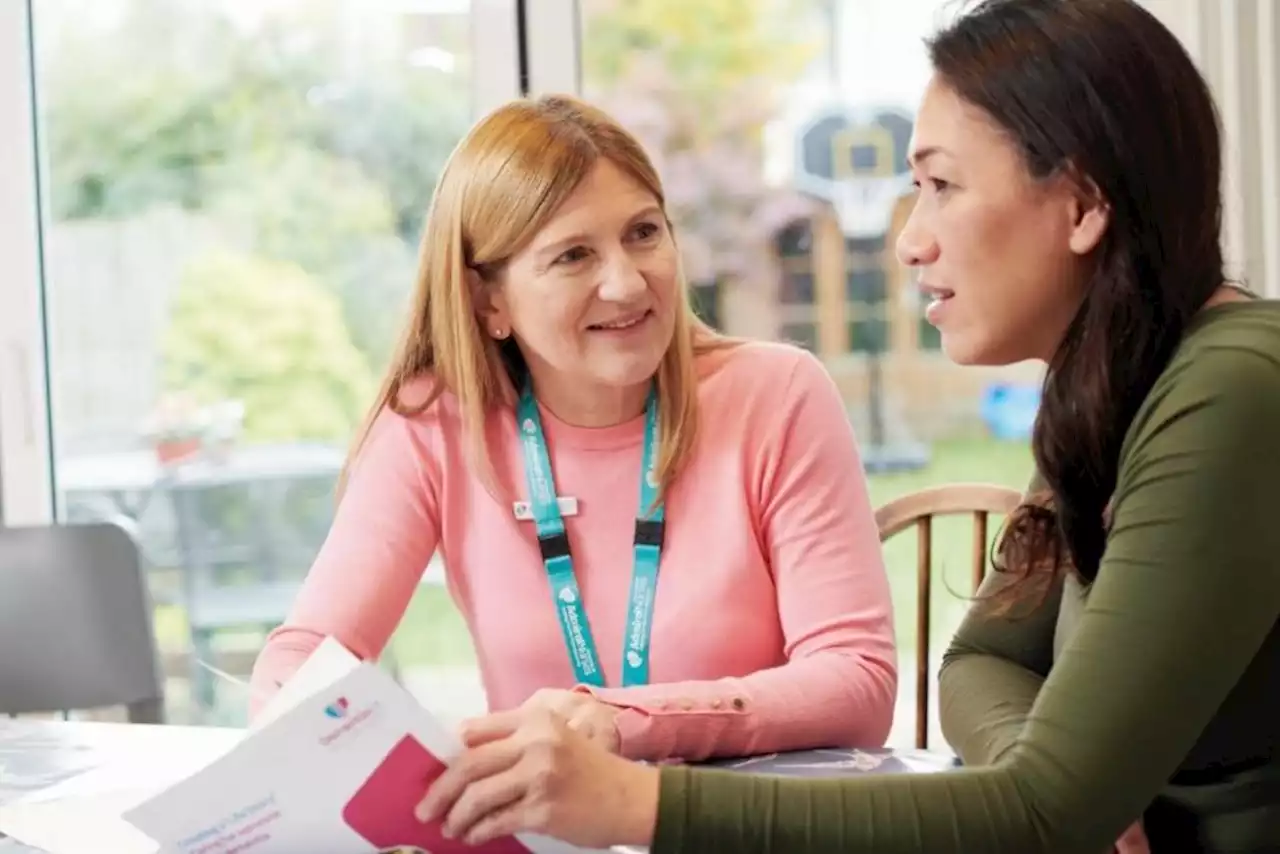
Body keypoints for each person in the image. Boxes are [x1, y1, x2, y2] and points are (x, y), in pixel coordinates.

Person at [411, 0, 1280, 851]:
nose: (909, 239)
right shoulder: (1116, 384)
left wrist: (638, 803)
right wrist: (1073, 779)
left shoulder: (1231, 392)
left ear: (1083, 205)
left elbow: (1039, 815)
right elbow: (981, 664)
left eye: (941, 185)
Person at [249, 94, 899, 765]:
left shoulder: (777, 394)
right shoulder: (435, 424)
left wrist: (620, 723)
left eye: (643, 233)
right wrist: (309, 725)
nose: (625, 283)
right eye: (573, 256)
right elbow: (304, 654)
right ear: (488, 299)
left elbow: (855, 682)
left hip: (735, 825)